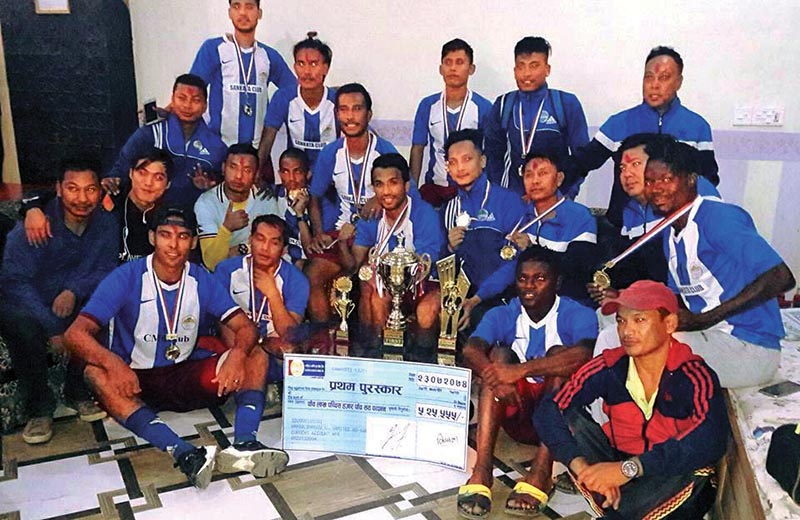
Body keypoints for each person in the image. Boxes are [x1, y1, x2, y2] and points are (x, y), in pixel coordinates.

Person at [64, 207, 289, 489]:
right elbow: (75, 334)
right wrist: (114, 364)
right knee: (96, 374)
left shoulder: (200, 279)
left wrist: (237, 354)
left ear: (193, 242)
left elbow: (246, 327)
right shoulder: (127, 277)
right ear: (151, 238)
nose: (174, 244)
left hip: (186, 375)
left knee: (254, 351)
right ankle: (185, 454)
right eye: (165, 235)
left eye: (183, 236)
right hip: (135, 382)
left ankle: (244, 443)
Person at [534, 280, 729, 519]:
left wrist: (629, 469)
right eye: (621, 321)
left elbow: (712, 437)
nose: (626, 331)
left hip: (665, 472)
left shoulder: (693, 375)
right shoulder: (610, 366)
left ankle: (618, 511)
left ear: (669, 324)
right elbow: (548, 409)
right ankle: (618, 502)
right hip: (615, 465)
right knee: (567, 415)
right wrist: (582, 467)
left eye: (639, 320)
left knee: (701, 472)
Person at [457, 247, 596, 518]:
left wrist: (519, 371)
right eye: (522, 279)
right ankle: (482, 470)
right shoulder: (504, 313)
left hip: (561, 424)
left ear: (557, 282)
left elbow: (585, 354)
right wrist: (497, 376)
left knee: (560, 356)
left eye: (539, 279)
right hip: (516, 411)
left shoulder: (577, 313)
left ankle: (542, 472)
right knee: (497, 356)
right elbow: (471, 349)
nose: (529, 286)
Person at [0, 157, 118, 444]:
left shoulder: (105, 224)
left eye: (90, 189)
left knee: (99, 310)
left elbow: (104, 267)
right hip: (27, 301)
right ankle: (39, 408)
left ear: (100, 191)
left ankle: (77, 391)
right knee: (20, 326)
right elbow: (14, 281)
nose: (82, 198)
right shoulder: (35, 226)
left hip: (69, 296)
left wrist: (73, 291)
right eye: (73, 189)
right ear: (59, 189)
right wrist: (52, 327)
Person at [567, 46, 719, 226]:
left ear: (679, 82)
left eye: (664, 78)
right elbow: (580, 163)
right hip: (624, 228)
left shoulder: (697, 127)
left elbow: (708, 179)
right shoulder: (618, 124)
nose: (654, 85)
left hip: (673, 228)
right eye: (649, 77)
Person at [305, 83, 399, 322]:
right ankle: (324, 342)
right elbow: (314, 196)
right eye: (344, 109)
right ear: (337, 115)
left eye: (357, 108)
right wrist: (317, 232)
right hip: (342, 234)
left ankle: (371, 349)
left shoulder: (386, 153)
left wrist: (380, 198)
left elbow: (407, 197)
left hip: (377, 238)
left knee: (371, 284)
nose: (350, 116)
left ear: (369, 114)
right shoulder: (330, 153)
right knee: (312, 275)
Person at [338, 153, 444, 361]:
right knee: (371, 287)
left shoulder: (424, 214)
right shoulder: (372, 217)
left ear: (406, 186)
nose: (386, 191)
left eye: (393, 183)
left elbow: (424, 266)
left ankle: (420, 360)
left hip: (426, 284)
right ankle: (377, 351)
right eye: (379, 185)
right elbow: (353, 266)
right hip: (388, 288)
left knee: (423, 310)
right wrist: (343, 242)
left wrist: (383, 276)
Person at [588, 133, 719, 295]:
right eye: (622, 168)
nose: (626, 174)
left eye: (635, 164)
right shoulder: (629, 210)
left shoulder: (693, 189)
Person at [441, 129, 525, 338]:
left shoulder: (508, 202)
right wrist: (449, 248)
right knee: (434, 314)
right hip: (463, 294)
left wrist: (477, 299)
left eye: (467, 159)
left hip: (501, 295)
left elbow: (514, 263)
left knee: (480, 322)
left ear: (483, 161)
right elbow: (443, 267)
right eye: (453, 162)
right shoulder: (449, 208)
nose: (460, 168)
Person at [22, 149, 173, 263]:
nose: (148, 183)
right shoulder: (109, 195)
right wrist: (32, 208)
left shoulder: (167, 215)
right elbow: (57, 197)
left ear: (168, 184)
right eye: (142, 173)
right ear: (130, 173)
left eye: (158, 177)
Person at [483, 36, 589, 197]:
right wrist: (502, 196)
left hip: (554, 200)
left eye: (534, 66)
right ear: (514, 70)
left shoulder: (566, 104)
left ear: (547, 69)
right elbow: (492, 156)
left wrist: (564, 194)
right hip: (512, 199)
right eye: (521, 66)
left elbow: (581, 157)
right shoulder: (503, 105)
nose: (526, 73)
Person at [103, 74, 226, 211]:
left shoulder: (216, 147)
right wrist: (112, 179)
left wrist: (209, 187)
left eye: (195, 100)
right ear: (172, 100)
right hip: (148, 213)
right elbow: (122, 166)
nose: (187, 105)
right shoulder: (151, 133)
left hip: (193, 217)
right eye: (182, 98)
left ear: (204, 106)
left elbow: (223, 187)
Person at [215, 214, 310, 388]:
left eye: (274, 243)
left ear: (284, 249)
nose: (265, 248)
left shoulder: (297, 280)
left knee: (291, 355)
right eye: (260, 239)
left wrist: (273, 294)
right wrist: (245, 349)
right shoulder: (226, 270)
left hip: (274, 348)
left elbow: (289, 333)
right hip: (233, 344)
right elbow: (222, 321)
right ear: (250, 240)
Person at [191, 0, 296, 149]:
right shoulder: (213, 48)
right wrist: (171, 109)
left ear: (259, 13)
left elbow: (295, 92)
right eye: (236, 6)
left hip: (256, 154)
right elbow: (191, 91)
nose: (243, 12)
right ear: (229, 12)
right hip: (220, 150)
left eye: (249, 6)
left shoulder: (268, 55)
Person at [410, 38, 492, 207]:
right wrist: (412, 189)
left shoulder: (483, 107)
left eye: (460, 62)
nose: (453, 68)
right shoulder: (427, 105)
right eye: (448, 62)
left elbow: (490, 153)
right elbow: (418, 149)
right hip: (435, 188)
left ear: (471, 69)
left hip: (471, 189)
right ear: (441, 69)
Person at [508, 152, 597, 304]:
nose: (535, 181)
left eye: (542, 173)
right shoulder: (517, 212)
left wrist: (532, 248)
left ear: (559, 179)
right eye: (528, 175)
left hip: (566, 301)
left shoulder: (579, 215)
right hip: (520, 300)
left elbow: (578, 269)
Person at [259, 33, 337, 180]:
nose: (307, 71)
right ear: (294, 67)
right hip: (295, 180)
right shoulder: (283, 98)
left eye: (313, 64)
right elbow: (267, 140)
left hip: (330, 180)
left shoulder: (337, 100)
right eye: (301, 64)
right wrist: (257, 173)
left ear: (326, 68)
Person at [195, 143, 278, 271]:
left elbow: (276, 249)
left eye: (247, 170)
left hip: (257, 271)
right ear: (223, 168)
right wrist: (227, 228)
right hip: (220, 277)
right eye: (233, 167)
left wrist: (242, 249)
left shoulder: (266, 200)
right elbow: (212, 263)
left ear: (256, 174)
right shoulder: (206, 203)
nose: (239, 176)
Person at [274, 148, 313, 268]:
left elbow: (310, 251)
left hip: (307, 264)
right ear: (280, 174)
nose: (291, 178)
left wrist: (300, 215)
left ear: (308, 174)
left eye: (297, 172)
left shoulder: (318, 201)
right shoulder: (272, 193)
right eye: (286, 172)